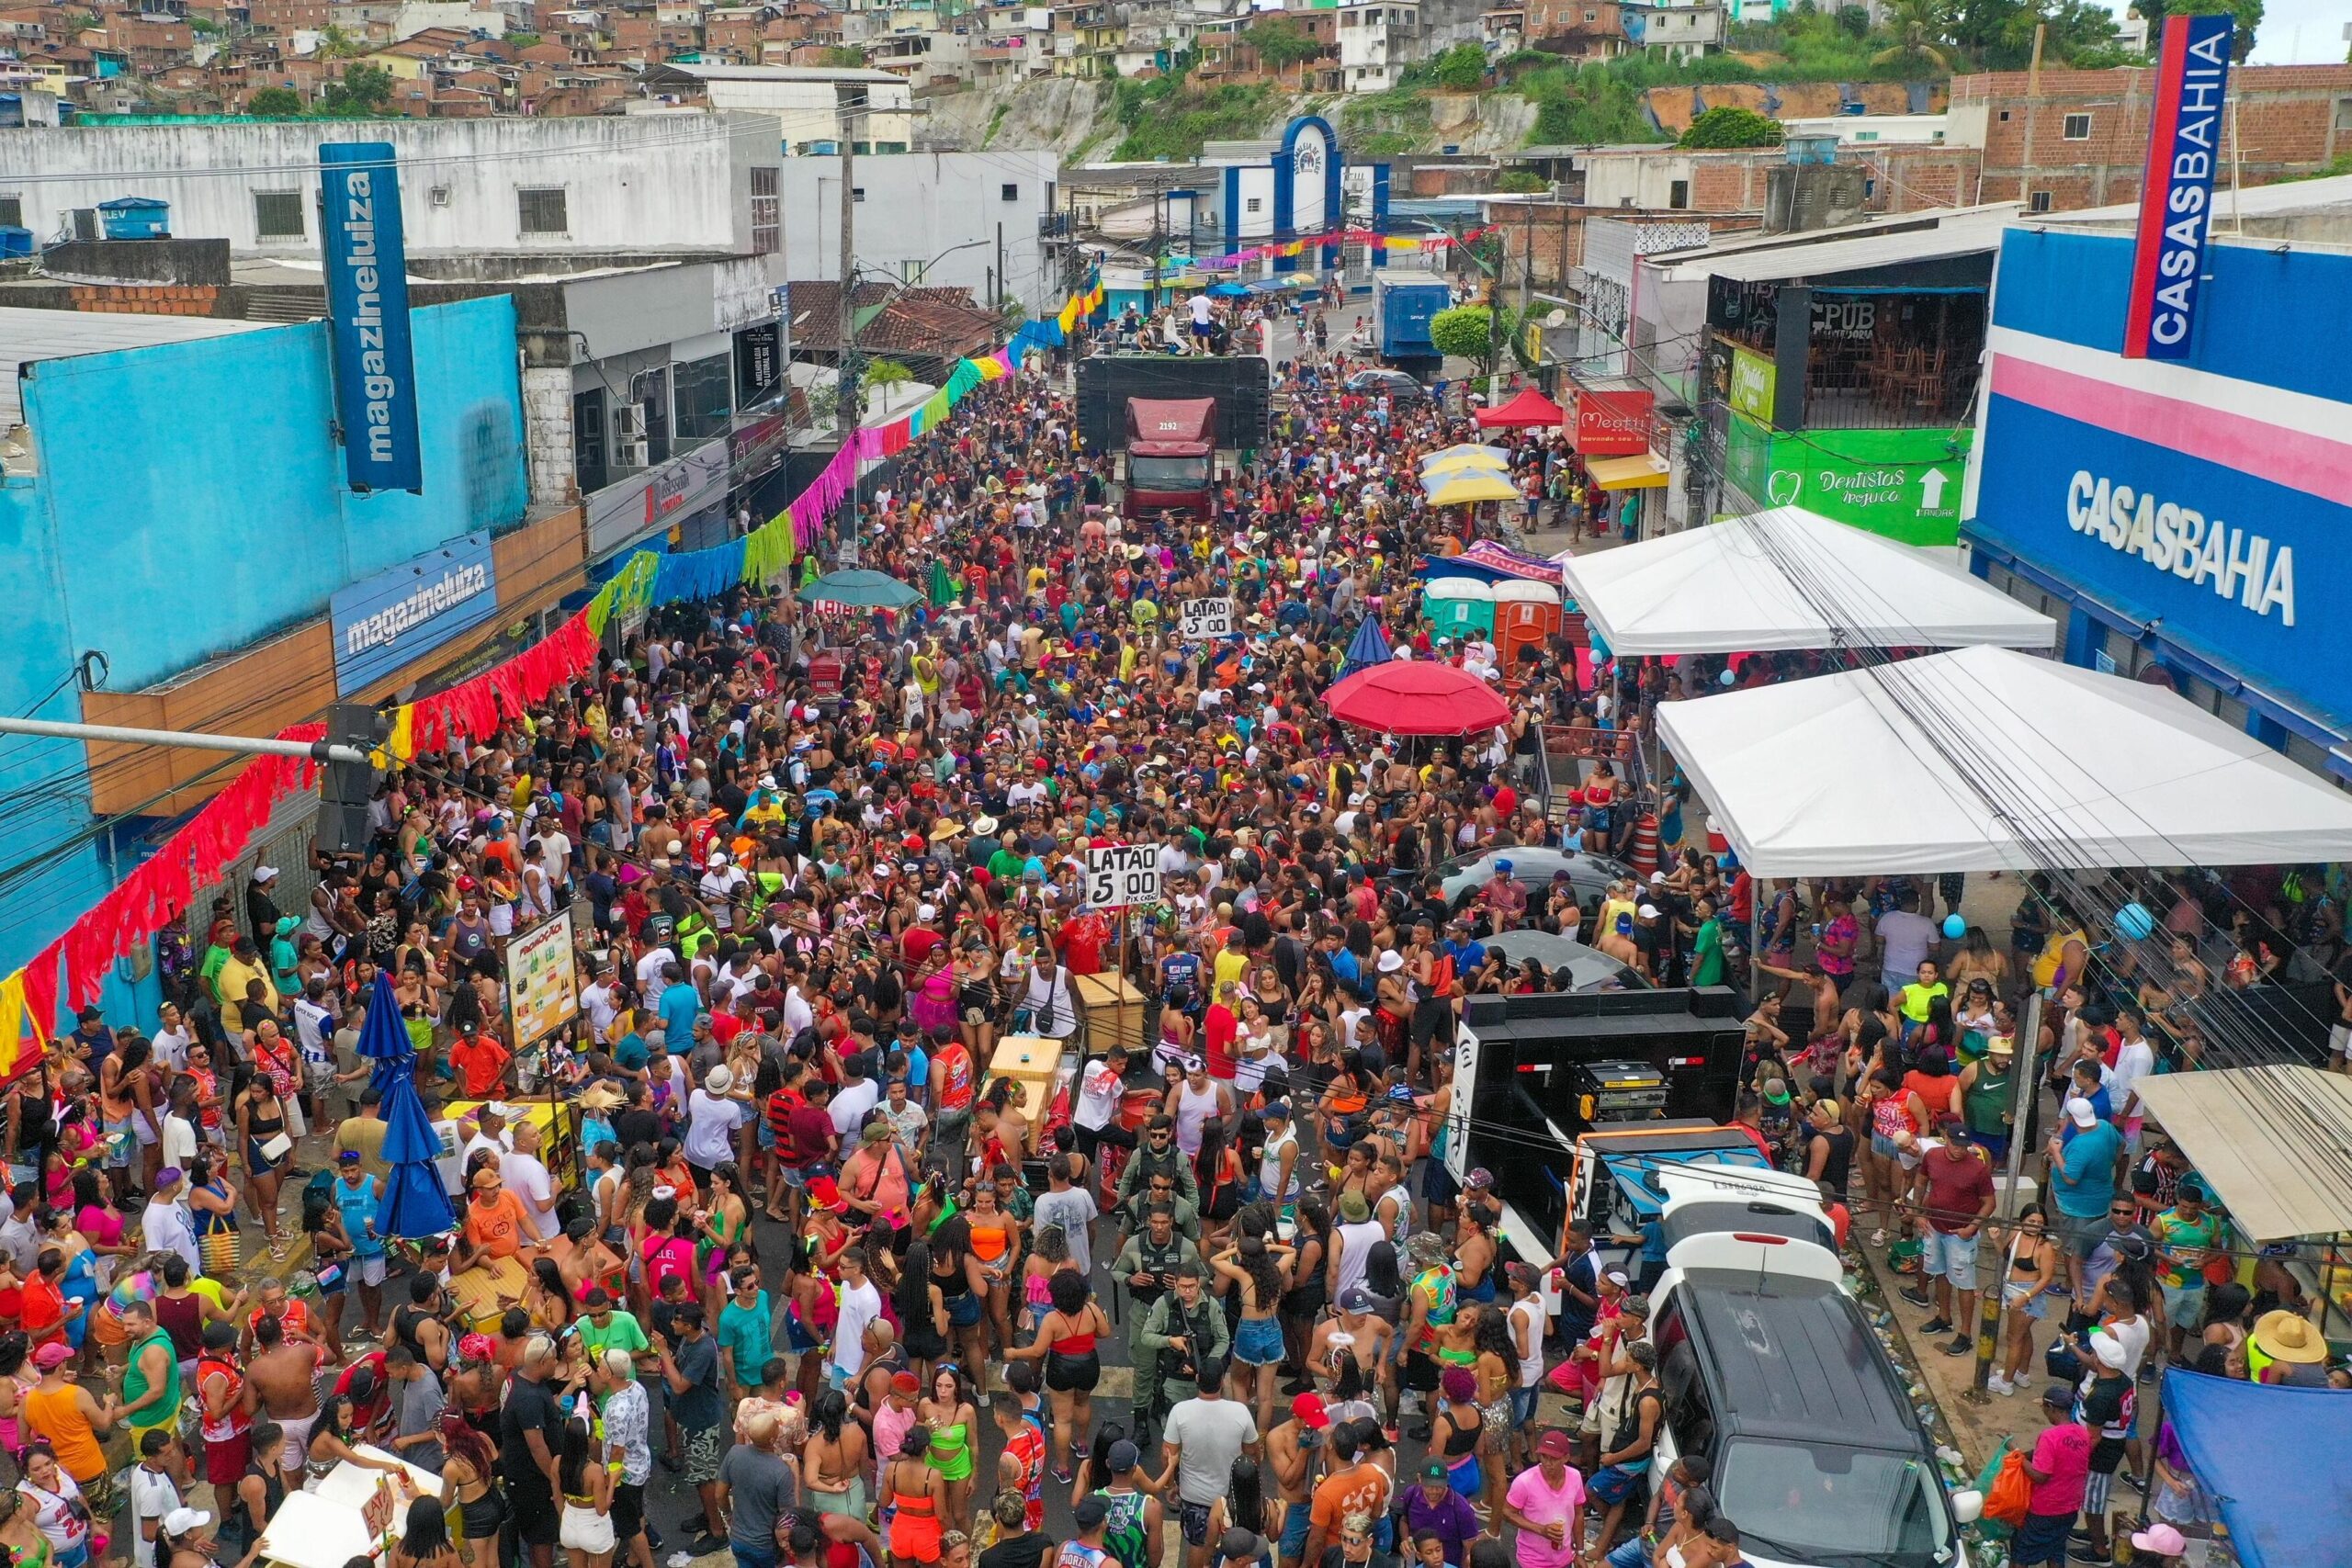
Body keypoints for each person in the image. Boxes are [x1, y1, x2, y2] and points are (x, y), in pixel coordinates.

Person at [1160, 1362, 1261, 1568]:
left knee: (1197, 1544)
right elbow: (1252, 1453)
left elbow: (1167, 1454)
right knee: (1235, 1547)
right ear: (1222, 1382)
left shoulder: (1180, 1411)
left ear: (1198, 1379)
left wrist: (1170, 1485)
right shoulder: (1240, 1412)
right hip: (1230, 1496)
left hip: (1193, 1495)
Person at [2011, 1384, 2091, 1568]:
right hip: (2070, 1507)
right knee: (2056, 1549)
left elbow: (2040, 1476)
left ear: (2051, 1408)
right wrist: (2028, 1455)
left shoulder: (2049, 1436)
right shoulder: (2083, 1433)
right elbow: (2063, 1456)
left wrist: (2018, 1457)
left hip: (2046, 1509)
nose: (2044, 1412)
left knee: (2020, 1552)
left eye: (2044, 1408)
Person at [1498, 1430, 1584, 1568]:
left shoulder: (1575, 1477)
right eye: (1544, 1457)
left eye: (1554, 1458)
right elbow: (1507, 1512)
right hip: (1532, 1561)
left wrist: (1580, 1552)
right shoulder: (1524, 1482)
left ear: (1566, 1458)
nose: (1548, 1463)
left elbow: (1578, 1514)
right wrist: (1541, 1530)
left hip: (1564, 1558)